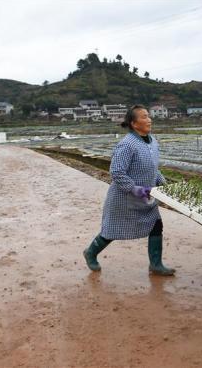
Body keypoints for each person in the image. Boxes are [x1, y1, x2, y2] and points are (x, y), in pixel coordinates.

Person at [83, 105, 175, 276]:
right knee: (112, 230)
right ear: (134, 123)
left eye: (149, 116)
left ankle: (156, 264)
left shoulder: (152, 141)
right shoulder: (127, 144)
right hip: (124, 198)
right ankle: (90, 252)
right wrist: (135, 189)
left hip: (146, 197)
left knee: (156, 225)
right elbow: (116, 172)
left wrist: (163, 183)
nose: (149, 119)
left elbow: (153, 167)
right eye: (144, 117)